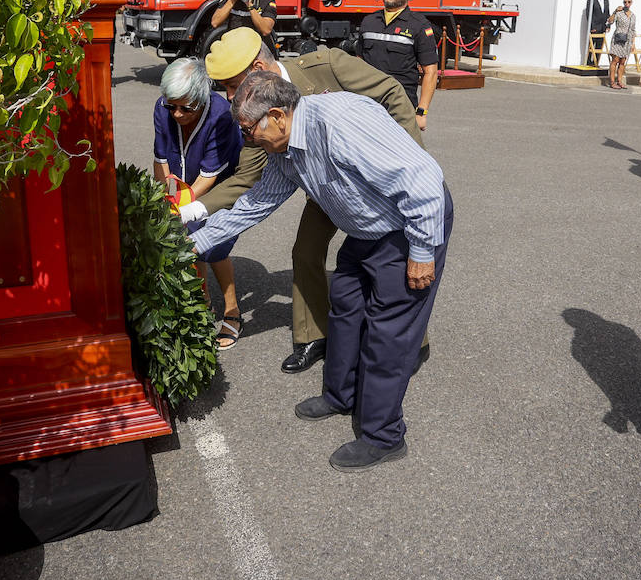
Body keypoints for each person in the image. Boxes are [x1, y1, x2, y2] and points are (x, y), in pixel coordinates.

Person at [189, 72, 452, 472]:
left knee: (389, 332)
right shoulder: (284, 147)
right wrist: (193, 244)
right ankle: (340, 394)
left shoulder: (341, 124)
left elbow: (423, 181)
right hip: (367, 227)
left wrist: (421, 250)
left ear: (276, 115)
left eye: (248, 130)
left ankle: (384, 435)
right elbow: (256, 202)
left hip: (409, 224)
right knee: (345, 305)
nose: (246, 140)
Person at [178, 28, 426, 374]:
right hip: (325, 186)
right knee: (305, 252)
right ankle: (314, 336)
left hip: (374, 176)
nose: (231, 96)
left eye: (234, 85)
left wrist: (408, 161)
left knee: (400, 258)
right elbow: (248, 181)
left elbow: (391, 92)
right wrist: (191, 211)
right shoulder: (253, 112)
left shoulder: (326, 66)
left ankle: (414, 341)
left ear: (258, 68)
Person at [152, 58, 244, 348]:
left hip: (222, 184)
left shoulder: (221, 116)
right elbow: (161, 160)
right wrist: (162, 201)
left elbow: (210, 176)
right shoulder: (163, 106)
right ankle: (202, 303)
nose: (176, 113)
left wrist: (181, 209)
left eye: (185, 108)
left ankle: (232, 311)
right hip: (185, 180)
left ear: (201, 99)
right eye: (171, 106)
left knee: (213, 245)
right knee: (188, 239)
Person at [357, 0, 438, 125]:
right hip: (366, 104)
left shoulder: (419, 26)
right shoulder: (369, 22)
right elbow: (358, 64)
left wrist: (421, 112)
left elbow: (431, 72)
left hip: (400, 107)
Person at [606, 0, 637, 89]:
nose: (626, 4)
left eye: (628, 2)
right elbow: (610, 21)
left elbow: (633, 30)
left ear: (631, 3)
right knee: (615, 60)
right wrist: (615, 11)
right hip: (618, 39)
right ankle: (612, 82)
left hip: (627, 41)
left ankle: (619, 81)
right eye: (625, 2)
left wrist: (632, 43)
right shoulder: (619, 13)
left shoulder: (633, 15)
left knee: (623, 62)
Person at [587, 0, 611, 65]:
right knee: (591, 46)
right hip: (595, 27)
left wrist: (608, 26)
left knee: (599, 46)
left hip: (602, 27)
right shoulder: (591, 0)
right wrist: (591, 27)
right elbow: (588, 14)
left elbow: (608, 14)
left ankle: (596, 63)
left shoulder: (606, 1)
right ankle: (588, 62)